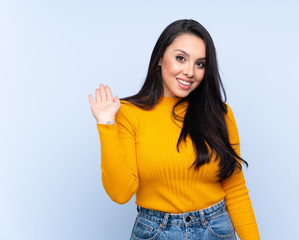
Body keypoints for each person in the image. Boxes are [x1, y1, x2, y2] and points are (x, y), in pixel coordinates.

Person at [88, 19, 260, 240]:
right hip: (154, 231)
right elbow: (120, 194)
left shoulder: (220, 113)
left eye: (200, 64)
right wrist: (106, 124)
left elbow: (236, 190)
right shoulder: (128, 113)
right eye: (181, 58)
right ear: (160, 58)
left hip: (215, 230)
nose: (190, 71)